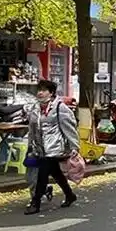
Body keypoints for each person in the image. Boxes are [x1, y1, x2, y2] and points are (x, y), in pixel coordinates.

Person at [25, 79, 79, 215]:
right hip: (40, 147)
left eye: (44, 90)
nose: (40, 93)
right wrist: (30, 145)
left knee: (42, 175)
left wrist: (74, 146)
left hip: (54, 148)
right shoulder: (35, 108)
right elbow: (32, 129)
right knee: (56, 173)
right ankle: (70, 194)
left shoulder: (60, 108)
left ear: (51, 93)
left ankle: (35, 202)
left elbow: (69, 128)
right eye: (39, 90)